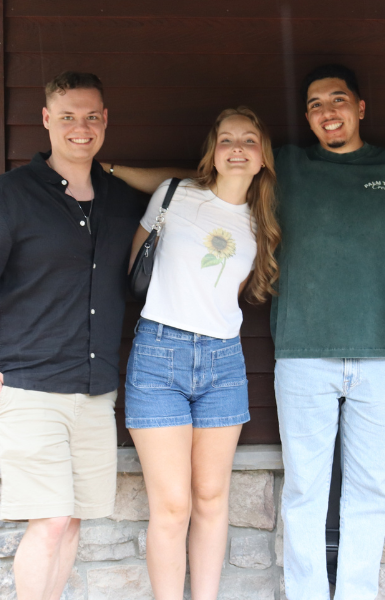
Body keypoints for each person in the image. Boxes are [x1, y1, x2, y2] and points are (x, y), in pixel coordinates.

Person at [105, 64, 385, 600]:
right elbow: (198, 180)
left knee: (371, 491)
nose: (328, 112)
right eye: (315, 104)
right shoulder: (288, 167)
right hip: (303, 353)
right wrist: (113, 168)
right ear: (306, 118)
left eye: (338, 99)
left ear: (360, 107)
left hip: (383, 354)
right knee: (305, 489)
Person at [0, 72, 145, 600]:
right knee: (52, 519)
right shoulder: (8, 195)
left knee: (75, 519)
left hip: (93, 388)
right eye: (67, 116)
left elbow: (191, 181)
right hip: (28, 386)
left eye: (91, 116)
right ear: (46, 120)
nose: (80, 127)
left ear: (105, 120)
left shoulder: (121, 199)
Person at [124, 107, 280, 600]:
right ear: (213, 151)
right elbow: (136, 266)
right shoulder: (176, 196)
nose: (237, 148)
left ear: (262, 158)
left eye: (248, 140)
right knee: (172, 505)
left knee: (212, 499)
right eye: (226, 139)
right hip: (158, 355)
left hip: (223, 362)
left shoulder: (263, 222)